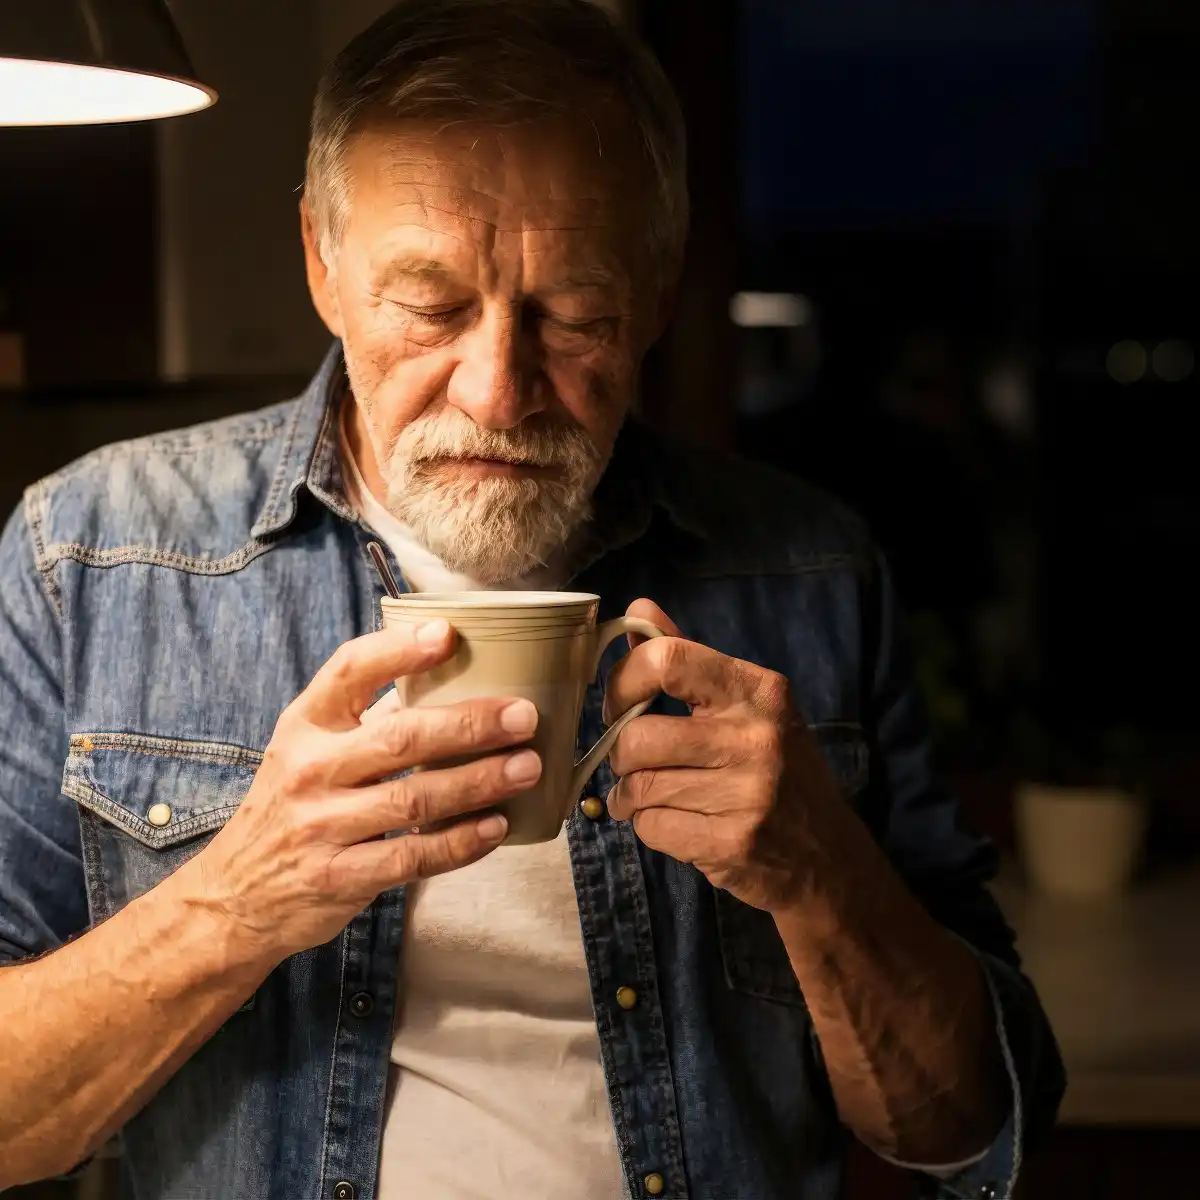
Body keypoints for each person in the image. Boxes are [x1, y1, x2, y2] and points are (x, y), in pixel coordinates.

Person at [0, 2, 1063, 1197]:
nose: (499, 392)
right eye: (431, 304)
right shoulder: (85, 552)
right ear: (321, 265)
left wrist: (824, 877)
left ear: (657, 295)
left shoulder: (811, 568)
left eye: (573, 313)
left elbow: (966, 1126)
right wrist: (235, 906)